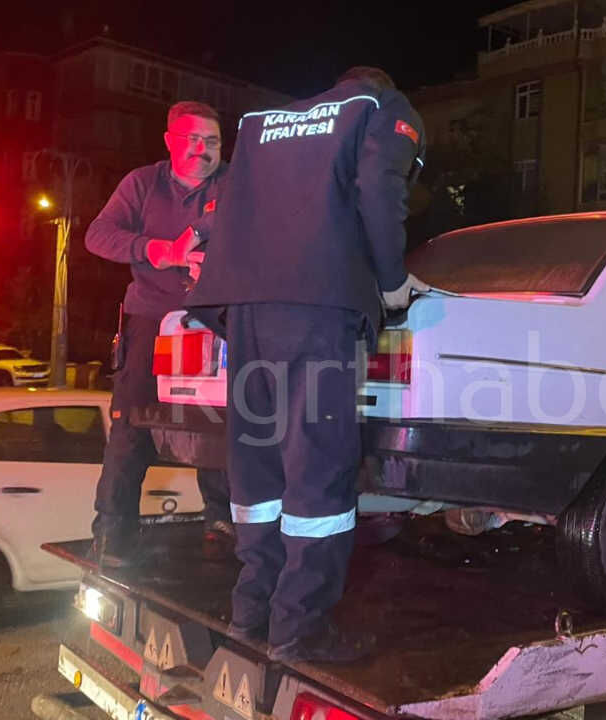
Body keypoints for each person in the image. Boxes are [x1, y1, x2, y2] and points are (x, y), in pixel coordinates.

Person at [185, 66, 428, 663]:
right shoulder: (382, 106)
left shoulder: (263, 122)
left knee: (259, 467)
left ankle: (252, 614)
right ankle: (300, 630)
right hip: (317, 309)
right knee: (318, 467)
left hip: (246, 309)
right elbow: (379, 189)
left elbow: (226, 208)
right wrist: (392, 282)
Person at [84, 100, 233, 566]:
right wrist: (161, 251)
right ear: (169, 141)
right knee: (131, 424)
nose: (202, 150)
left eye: (212, 141)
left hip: (218, 322)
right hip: (152, 320)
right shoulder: (142, 183)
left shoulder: (236, 183)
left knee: (225, 423)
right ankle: (112, 536)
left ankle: (223, 522)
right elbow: (97, 235)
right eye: (193, 139)